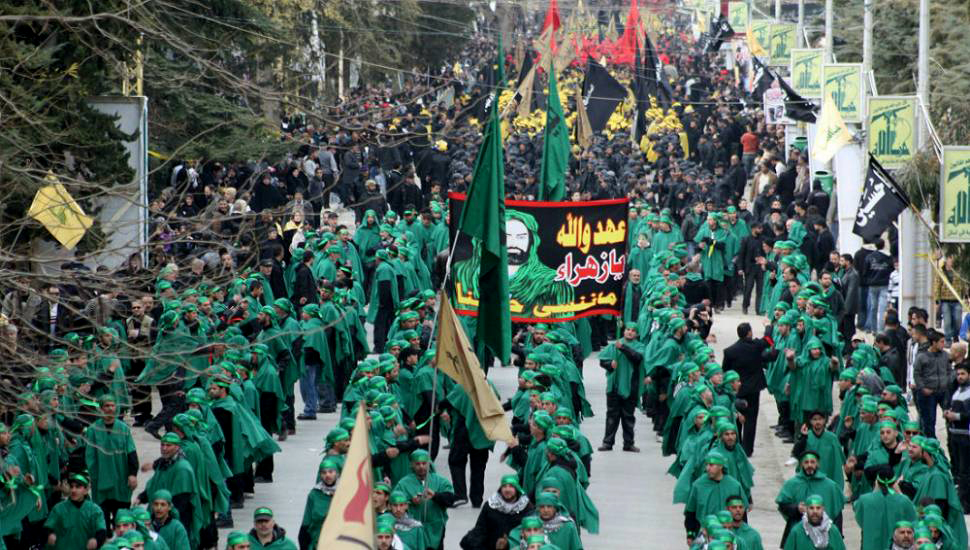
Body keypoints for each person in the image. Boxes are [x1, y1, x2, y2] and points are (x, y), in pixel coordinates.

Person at [84, 395, 138, 527]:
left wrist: (132, 474)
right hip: (101, 482)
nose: (110, 408)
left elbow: (131, 452)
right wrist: (92, 477)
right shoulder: (93, 430)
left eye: (112, 405)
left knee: (122, 521)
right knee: (103, 522)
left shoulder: (123, 429)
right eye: (106, 406)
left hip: (121, 480)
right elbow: (89, 456)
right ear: (101, 408)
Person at [721, 322, 769, 456]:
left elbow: (725, 370)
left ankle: (736, 445)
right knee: (751, 420)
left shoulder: (730, 351)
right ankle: (748, 449)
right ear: (749, 333)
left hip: (737, 389)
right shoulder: (756, 346)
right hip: (753, 389)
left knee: (737, 417)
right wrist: (768, 326)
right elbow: (768, 340)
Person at [393, 449, 457, 550]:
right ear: (412, 465)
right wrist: (410, 502)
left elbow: (451, 499)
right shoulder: (403, 484)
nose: (421, 466)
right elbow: (394, 503)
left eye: (424, 463)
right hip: (413, 530)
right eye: (418, 464)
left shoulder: (440, 481)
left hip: (436, 527)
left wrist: (435, 496)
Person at [598, 323, 645, 452]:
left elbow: (637, 358)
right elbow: (602, 361)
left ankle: (628, 443)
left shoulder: (639, 347)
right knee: (611, 416)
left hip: (631, 386)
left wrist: (623, 348)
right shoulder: (614, 345)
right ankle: (607, 443)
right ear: (624, 331)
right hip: (614, 386)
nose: (630, 332)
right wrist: (610, 364)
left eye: (633, 330)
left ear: (637, 334)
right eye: (628, 329)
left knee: (628, 416)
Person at [684, 450, 747, 546]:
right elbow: (690, 512)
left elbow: (742, 513)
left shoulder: (734, 486)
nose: (707, 468)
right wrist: (690, 534)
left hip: (729, 538)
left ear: (721, 466)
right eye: (706, 465)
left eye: (711, 465)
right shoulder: (698, 485)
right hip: (705, 536)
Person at [460, 474, 533, 550]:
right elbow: (480, 529)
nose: (507, 490)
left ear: (517, 489)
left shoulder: (526, 507)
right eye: (504, 486)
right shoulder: (490, 506)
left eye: (511, 486)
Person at [42, 472, 108, 550]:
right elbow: (47, 528)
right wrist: (49, 535)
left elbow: (101, 531)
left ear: (86, 490)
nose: (73, 490)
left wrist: (96, 541)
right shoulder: (58, 509)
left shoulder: (95, 510)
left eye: (78, 487)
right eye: (71, 486)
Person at [913, 329, 952, 438]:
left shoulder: (945, 355)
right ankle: (931, 441)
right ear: (934, 343)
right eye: (941, 342)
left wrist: (948, 383)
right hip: (928, 392)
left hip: (943, 391)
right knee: (929, 420)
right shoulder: (922, 356)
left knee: (949, 417)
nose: (943, 344)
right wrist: (922, 388)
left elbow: (949, 370)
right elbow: (917, 374)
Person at [298, 457, 339, 550]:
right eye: (324, 472)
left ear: (337, 473)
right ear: (320, 475)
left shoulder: (346, 492)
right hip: (319, 541)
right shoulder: (314, 494)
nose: (327, 475)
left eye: (331, 471)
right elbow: (306, 522)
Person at [945, 360, 970, 510]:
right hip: (955, 435)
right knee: (959, 470)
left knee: (965, 471)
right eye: (958, 374)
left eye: (963, 374)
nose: (959, 376)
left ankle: (966, 503)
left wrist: (956, 416)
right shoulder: (957, 390)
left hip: (966, 436)